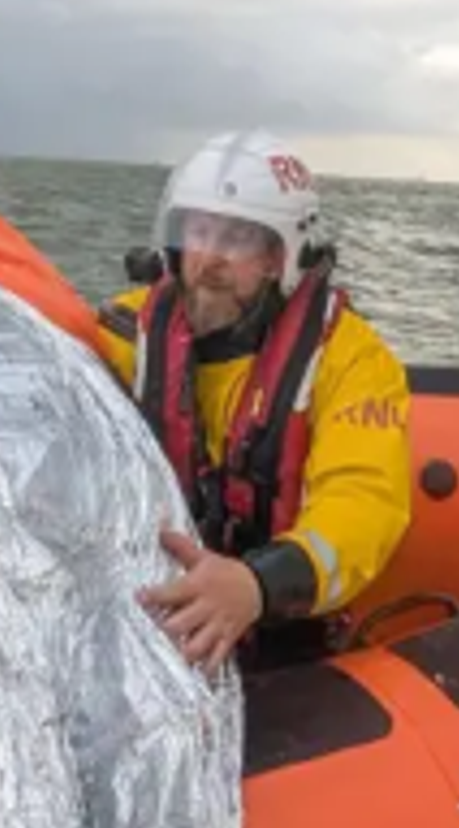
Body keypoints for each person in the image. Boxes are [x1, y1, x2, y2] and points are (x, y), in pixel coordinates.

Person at [94, 129, 412, 671]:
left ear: (277, 258)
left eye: (237, 239)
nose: (210, 258)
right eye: (198, 231)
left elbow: (364, 504)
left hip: (280, 632)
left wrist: (256, 586)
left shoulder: (350, 360)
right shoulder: (126, 333)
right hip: (151, 618)